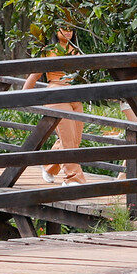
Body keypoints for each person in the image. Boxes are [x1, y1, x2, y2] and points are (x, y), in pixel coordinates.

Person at [26, 28, 86, 183]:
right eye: (64, 29)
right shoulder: (48, 50)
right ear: (55, 30)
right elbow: (34, 74)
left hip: (75, 94)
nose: (68, 32)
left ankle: (48, 166)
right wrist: (23, 96)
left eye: (70, 29)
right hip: (56, 93)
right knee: (68, 139)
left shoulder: (76, 49)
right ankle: (73, 178)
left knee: (75, 139)